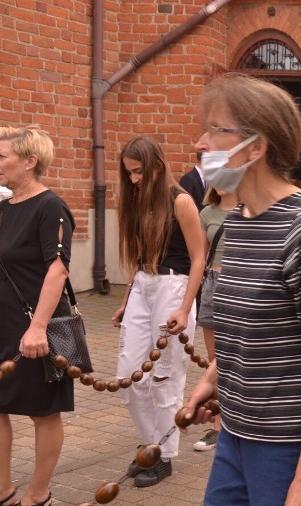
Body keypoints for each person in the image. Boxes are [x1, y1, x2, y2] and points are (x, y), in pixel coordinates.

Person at [181, 73, 301, 506]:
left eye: (215, 130)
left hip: (287, 448)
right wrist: (214, 380)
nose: (200, 143)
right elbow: (244, 328)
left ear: (256, 147)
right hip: (235, 433)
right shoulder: (240, 220)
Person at [0, 125, 73, 506]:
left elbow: (58, 268)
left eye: (1, 156)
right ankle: (0, 492)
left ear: (29, 161)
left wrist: (38, 329)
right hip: (3, 329)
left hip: (38, 331)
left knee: (42, 411)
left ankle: (38, 495)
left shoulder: (52, 206)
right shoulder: (7, 207)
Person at [111, 135, 204, 487]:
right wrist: (125, 300)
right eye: (129, 173)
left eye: (138, 171)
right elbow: (138, 259)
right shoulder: (139, 202)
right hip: (144, 284)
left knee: (165, 377)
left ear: (157, 167)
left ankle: (162, 455)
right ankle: (151, 444)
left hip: (174, 286)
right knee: (129, 375)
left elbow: (199, 258)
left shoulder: (181, 201)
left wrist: (184, 306)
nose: (133, 179)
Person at [192, 185, 238, 452]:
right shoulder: (207, 213)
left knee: (236, 357)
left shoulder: (250, 210)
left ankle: (238, 422)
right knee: (215, 361)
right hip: (212, 283)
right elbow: (198, 258)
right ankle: (219, 427)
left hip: (239, 283)